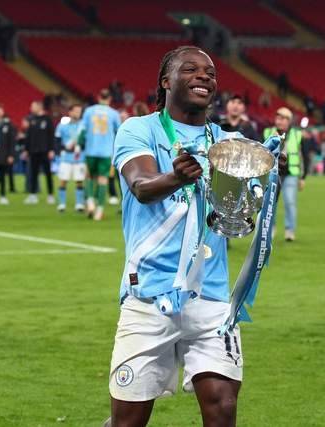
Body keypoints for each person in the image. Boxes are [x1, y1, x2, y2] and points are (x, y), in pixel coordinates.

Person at [107, 45, 282, 427]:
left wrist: (264, 173)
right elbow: (141, 185)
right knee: (127, 421)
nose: (204, 76)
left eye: (210, 73)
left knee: (223, 406)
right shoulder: (139, 129)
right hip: (149, 293)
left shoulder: (229, 145)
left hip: (211, 296)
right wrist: (175, 177)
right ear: (165, 81)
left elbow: (238, 217)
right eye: (190, 69)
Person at [263, 107, 304, 241]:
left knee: (290, 202)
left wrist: (302, 177)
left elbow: (302, 156)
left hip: (291, 173)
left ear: (289, 121)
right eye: (278, 118)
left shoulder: (297, 134)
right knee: (270, 203)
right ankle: (270, 229)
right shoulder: (267, 132)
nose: (280, 121)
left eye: (284, 118)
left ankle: (289, 231)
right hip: (272, 173)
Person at [80, 89, 121, 220]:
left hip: (91, 150)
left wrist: (79, 144)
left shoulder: (89, 111)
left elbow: (82, 130)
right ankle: (99, 210)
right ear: (109, 99)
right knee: (103, 179)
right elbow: (119, 132)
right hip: (106, 151)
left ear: (98, 98)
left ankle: (90, 202)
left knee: (89, 176)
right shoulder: (114, 113)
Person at [55, 104, 85, 212]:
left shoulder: (83, 125)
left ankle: (79, 204)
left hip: (79, 157)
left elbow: (86, 140)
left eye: (79, 111)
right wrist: (62, 149)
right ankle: (62, 204)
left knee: (79, 181)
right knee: (63, 180)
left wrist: (80, 145)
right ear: (70, 112)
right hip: (66, 157)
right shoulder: (62, 125)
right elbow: (57, 141)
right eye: (76, 111)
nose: (78, 113)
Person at [23, 100, 55, 205]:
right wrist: (26, 150)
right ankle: (33, 195)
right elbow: (29, 136)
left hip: (45, 151)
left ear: (39, 107)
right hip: (34, 151)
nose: (31, 109)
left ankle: (50, 195)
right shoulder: (32, 120)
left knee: (48, 174)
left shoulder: (47, 119)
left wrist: (51, 149)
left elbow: (51, 135)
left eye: (33, 106)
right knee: (33, 173)